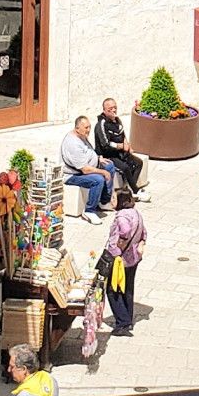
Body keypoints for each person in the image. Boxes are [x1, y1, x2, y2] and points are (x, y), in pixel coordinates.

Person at [101, 185, 146, 334]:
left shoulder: (121, 216)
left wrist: (118, 246)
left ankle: (123, 323)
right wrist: (140, 244)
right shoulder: (136, 213)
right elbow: (144, 233)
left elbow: (125, 231)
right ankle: (128, 318)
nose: (111, 200)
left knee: (113, 289)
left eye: (114, 198)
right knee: (127, 288)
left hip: (120, 258)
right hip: (134, 258)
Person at [58, 112, 118, 216]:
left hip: (87, 167)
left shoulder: (81, 135)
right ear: (77, 128)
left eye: (89, 127)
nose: (88, 130)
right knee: (98, 180)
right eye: (86, 128)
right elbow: (85, 169)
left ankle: (103, 202)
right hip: (73, 175)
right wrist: (103, 172)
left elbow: (88, 150)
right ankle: (89, 210)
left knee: (110, 167)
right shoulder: (73, 144)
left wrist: (98, 159)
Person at [93, 97, 145, 197]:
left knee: (138, 163)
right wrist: (121, 146)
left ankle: (129, 188)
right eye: (110, 109)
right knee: (125, 167)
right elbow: (106, 145)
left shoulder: (117, 120)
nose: (113, 110)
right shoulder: (101, 125)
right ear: (104, 110)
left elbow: (122, 133)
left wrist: (127, 145)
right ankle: (135, 191)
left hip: (119, 153)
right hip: (107, 155)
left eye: (115, 107)